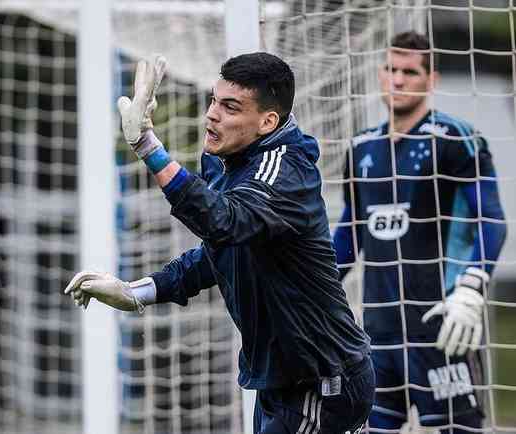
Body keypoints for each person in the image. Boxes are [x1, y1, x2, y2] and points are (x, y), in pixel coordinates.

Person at [65, 52, 375, 434]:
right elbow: (216, 253)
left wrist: (149, 146)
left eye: (230, 107)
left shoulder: (286, 169)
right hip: (283, 380)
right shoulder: (223, 161)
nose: (212, 114)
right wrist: (135, 292)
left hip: (322, 380)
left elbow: (224, 222)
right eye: (214, 100)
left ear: (267, 121)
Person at [332, 31, 507, 433]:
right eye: (390, 70)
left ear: (431, 80)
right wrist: (312, 292)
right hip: (377, 335)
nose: (397, 80)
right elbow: (349, 234)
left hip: (441, 327)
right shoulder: (361, 147)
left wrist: (470, 286)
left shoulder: (456, 140)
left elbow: (491, 219)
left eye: (409, 72)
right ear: (379, 75)